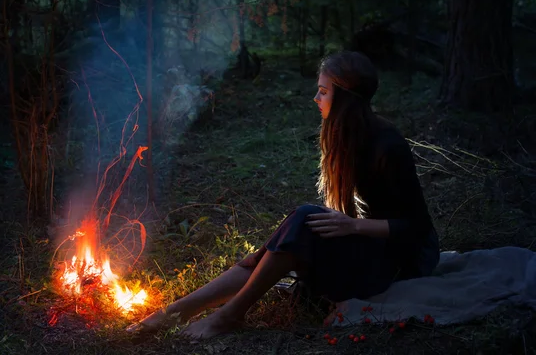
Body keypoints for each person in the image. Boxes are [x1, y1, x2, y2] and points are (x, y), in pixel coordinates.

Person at [129, 51, 440, 339]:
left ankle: (228, 315)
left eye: (323, 90)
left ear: (344, 97)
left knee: (304, 218)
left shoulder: (388, 145)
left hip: (402, 262)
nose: (315, 97)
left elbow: (417, 229)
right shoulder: (345, 134)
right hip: (371, 247)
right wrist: (348, 228)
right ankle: (174, 312)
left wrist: (354, 226)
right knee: (290, 233)